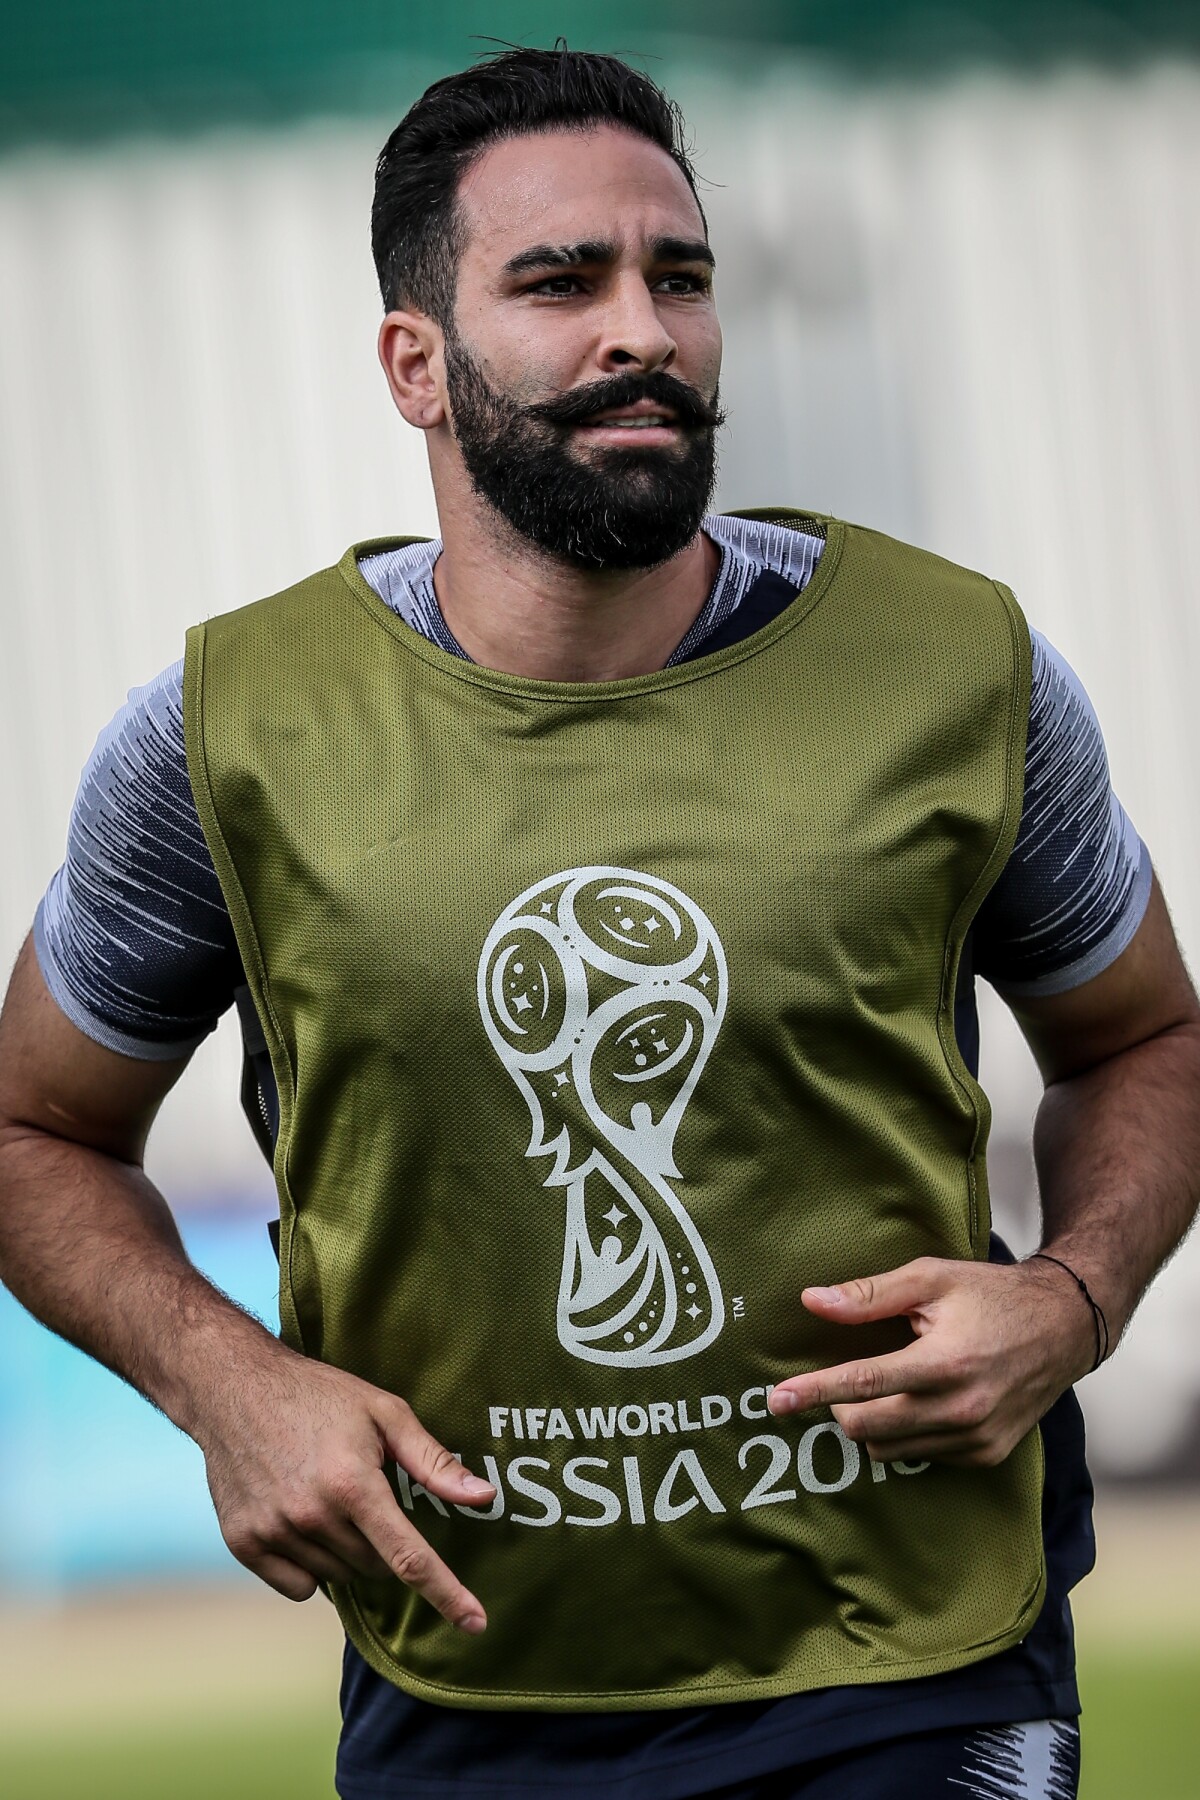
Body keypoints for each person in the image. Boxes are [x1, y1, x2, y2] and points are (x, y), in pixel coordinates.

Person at [0, 46, 1197, 1800]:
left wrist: (1073, 1301)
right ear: (415, 363)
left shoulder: (960, 670)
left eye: (679, 277)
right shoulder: (224, 738)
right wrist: (227, 1384)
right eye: (561, 283)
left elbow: (1146, 1036)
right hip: (470, 1672)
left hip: (913, 1664)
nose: (644, 330)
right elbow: (33, 1132)